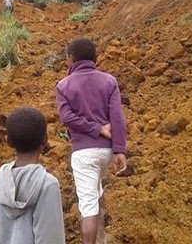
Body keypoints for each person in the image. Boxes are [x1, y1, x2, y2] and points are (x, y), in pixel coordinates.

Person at [55, 38, 127, 244]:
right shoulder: (109, 81)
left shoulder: (63, 85)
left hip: (83, 153)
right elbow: (117, 117)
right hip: (105, 152)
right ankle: (101, 239)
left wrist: (94, 129)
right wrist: (120, 150)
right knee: (96, 192)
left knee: (87, 205)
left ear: (71, 58)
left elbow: (67, 118)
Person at [0, 107, 66, 244]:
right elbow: (50, 239)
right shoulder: (47, 185)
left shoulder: (0, 179)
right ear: (45, 139)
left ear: (8, 141)